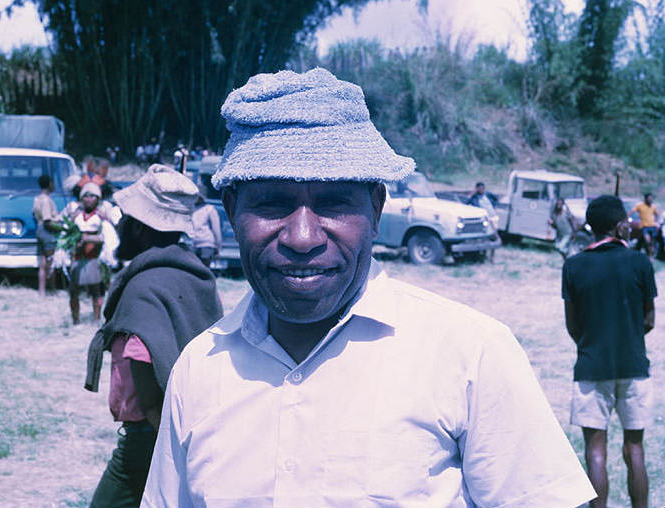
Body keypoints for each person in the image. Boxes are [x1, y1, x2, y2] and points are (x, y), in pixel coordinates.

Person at [141, 68, 596, 507]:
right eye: (274, 203)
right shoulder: (198, 370)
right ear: (233, 210)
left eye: (335, 203)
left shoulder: (470, 354)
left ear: (377, 210)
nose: (303, 238)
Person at [85, 165, 223, 508]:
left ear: (142, 230)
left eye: (127, 219)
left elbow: (143, 358)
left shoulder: (143, 286)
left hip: (151, 435)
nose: (119, 225)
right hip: (195, 429)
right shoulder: (194, 275)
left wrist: (162, 434)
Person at [563, 195, 657, 508]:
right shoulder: (640, 262)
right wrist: (627, 336)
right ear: (619, 225)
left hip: (591, 366)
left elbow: (573, 326)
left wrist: (594, 341)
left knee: (595, 451)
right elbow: (649, 320)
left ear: (590, 226)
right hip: (633, 365)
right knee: (635, 449)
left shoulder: (573, 265)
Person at [69, 183, 108, 324]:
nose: (89, 199)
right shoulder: (75, 216)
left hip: (94, 257)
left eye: (92, 196)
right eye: (86, 196)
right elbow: (65, 233)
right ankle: (75, 320)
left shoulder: (101, 217)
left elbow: (108, 237)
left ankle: (96, 319)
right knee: (73, 291)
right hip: (77, 257)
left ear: (98, 199)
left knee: (96, 290)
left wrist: (89, 238)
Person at [33, 174, 60, 296]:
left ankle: (42, 290)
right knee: (50, 262)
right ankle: (52, 290)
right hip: (47, 232)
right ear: (49, 184)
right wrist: (62, 227)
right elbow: (47, 221)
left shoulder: (37, 199)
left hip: (39, 230)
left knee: (43, 263)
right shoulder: (45, 201)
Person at [190, 194, 222, 268]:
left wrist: (218, 245)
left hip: (207, 243)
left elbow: (216, 228)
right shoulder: (193, 210)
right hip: (195, 243)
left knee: (205, 268)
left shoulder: (210, 209)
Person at [630, 193, 659, 259]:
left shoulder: (653, 207)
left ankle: (650, 255)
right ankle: (649, 255)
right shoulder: (640, 206)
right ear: (646, 199)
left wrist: (657, 223)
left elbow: (656, 215)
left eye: (651, 199)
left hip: (653, 226)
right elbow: (632, 211)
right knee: (647, 241)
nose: (650, 200)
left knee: (651, 242)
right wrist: (625, 218)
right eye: (649, 199)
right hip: (645, 227)